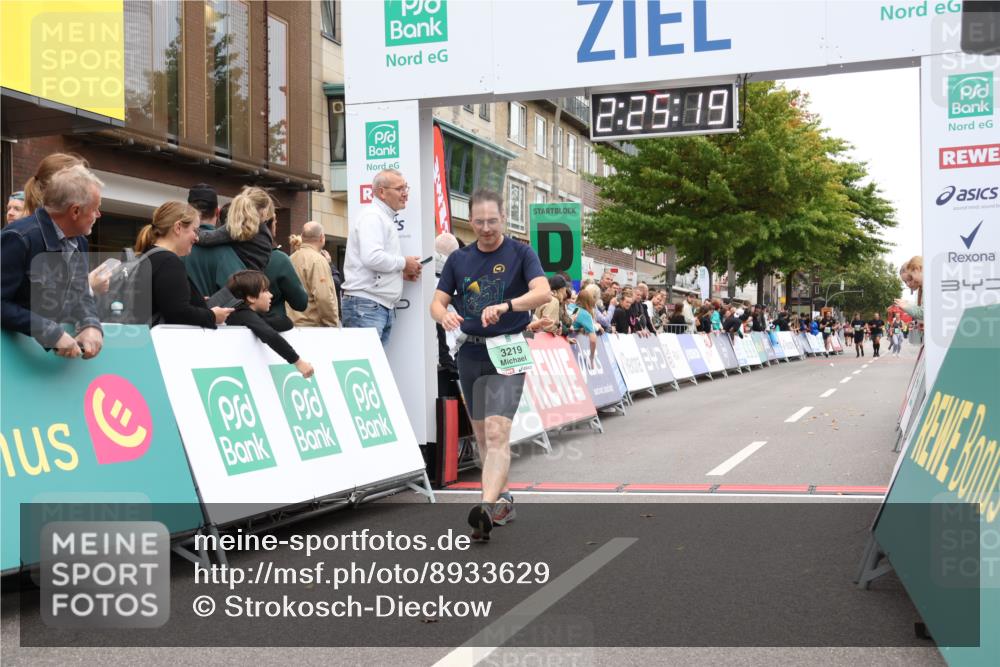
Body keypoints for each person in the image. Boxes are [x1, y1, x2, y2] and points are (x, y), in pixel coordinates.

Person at [431, 189, 550, 541]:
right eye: (479, 221)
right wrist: (445, 317)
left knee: (498, 432)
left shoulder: (521, 252)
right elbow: (436, 303)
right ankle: (503, 498)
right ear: (471, 220)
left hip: (509, 348)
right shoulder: (459, 260)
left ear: (504, 218)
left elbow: (542, 291)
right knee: (483, 435)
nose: (486, 228)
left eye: (493, 221)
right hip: (470, 352)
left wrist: (507, 306)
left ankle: (484, 506)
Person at [1, 164, 104, 358]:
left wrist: (91, 324)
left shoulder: (80, 242)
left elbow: (80, 293)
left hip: (41, 362)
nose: (98, 215)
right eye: (95, 209)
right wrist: (49, 332)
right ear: (75, 211)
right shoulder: (19, 237)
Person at [342, 169, 422, 346]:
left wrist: (398, 273)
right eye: (400, 188)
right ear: (381, 192)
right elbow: (372, 258)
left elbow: (370, 262)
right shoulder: (373, 217)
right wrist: (403, 264)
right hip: (367, 305)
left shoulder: (379, 216)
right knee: (364, 369)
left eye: (406, 188)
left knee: (368, 369)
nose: (405, 193)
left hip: (372, 305)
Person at [134, 201, 232, 327]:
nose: (197, 238)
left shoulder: (147, 256)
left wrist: (196, 301)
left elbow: (164, 303)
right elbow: (178, 313)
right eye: (195, 230)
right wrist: (213, 316)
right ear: (178, 227)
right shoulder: (169, 261)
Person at [225, 270, 314, 378]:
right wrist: (298, 362)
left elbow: (286, 322)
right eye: (265, 291)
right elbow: (270, 335)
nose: (271, 295)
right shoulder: (242, 314)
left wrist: (261, 322)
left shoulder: (251, 315)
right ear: (251, 298)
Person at [182, 183, 245, 298]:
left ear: (187, 211)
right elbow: (242, 294)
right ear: (217, 212)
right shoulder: (228, 252)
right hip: (215, 314)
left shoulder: (174, 247)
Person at [195, 186, 275, 271]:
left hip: (237, 278)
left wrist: (190, 230)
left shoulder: (240, 227)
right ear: (264, 211)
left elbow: (206, 238)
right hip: (254, 279)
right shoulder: (264, 233)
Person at [288, 221, 339, 327]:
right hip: (312, 327)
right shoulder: (318, 261)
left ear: (302, 236)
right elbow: (324, 297)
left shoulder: (291, 258)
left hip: (292, 324)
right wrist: (332, 323)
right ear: (322, 237)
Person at [568, 284, 599, 365]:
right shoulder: (585, 314)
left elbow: (573, 320)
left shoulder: (571, 306)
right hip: (568, 339)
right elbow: (593, 339)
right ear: (590, 300)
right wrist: (591, 357)